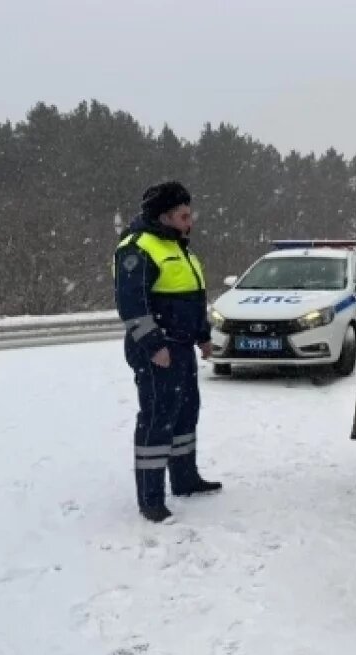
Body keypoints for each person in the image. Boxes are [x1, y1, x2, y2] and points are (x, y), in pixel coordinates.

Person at [113, 181, 222, 523]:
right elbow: (132, 304)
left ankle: (185, 479)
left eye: (191, 215)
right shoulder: (137, 248)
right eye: (184, 215)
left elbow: (193, 297)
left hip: (182, 348)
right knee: (158, 419)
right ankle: (150, 497)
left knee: (185, 413)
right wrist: (154, 345)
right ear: (164, 216)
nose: (191, 222)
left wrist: (203, 336)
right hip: (156, 350)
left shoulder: (179, 247)